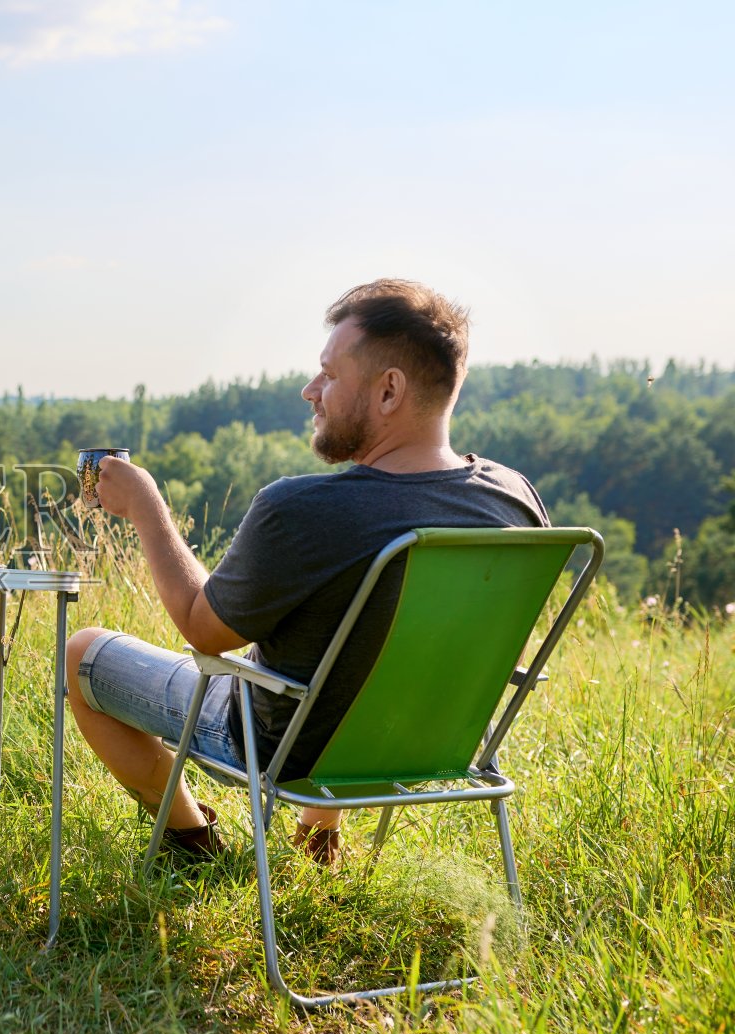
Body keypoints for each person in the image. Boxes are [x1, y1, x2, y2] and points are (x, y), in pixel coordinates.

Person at [69, 279, 548, 866]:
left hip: (289, 750)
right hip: (432, 741)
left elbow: (203, 628)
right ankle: (319, 843)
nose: (309, 390)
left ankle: (192, 842)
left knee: (82, 651)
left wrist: (146, 506)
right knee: (340, 644)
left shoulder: (304, 511)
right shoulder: (513, 499)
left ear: (389, 390)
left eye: (329, 374)